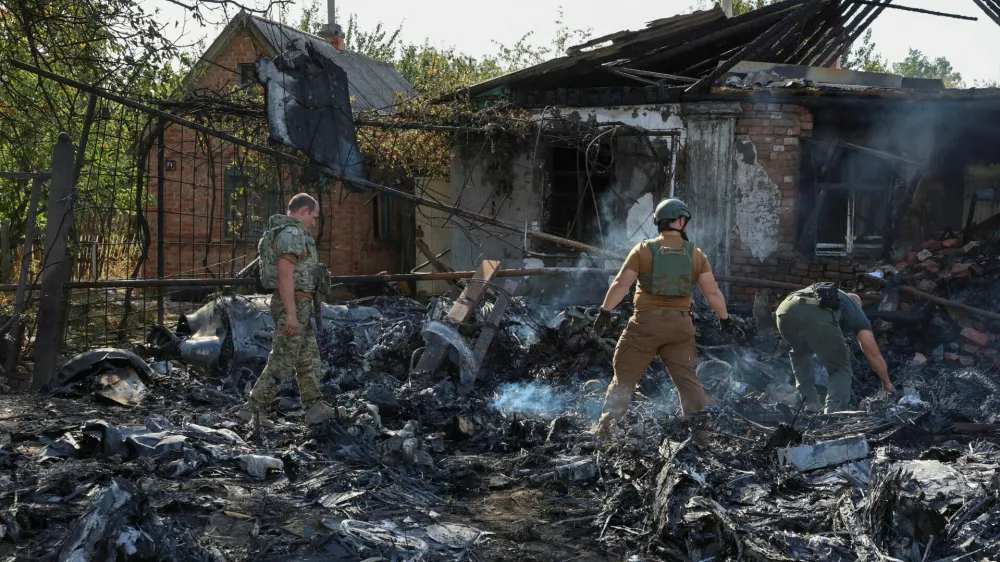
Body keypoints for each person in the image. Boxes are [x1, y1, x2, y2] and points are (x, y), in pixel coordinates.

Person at [591, 198, 737, 439]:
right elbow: (712, 292)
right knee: (688, 382)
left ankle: (606, 433)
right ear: (679, 221)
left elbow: (620, 285)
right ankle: (701, 437)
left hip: (644, 326)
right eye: (686, 221)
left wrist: (605, 311)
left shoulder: (643, 250)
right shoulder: (696, 254)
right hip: (680, 327)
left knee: (624, 379)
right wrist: (725, 319)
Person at [245, 193, 337, 425]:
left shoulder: (283, 232)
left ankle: (315, 406)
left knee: (308, 357)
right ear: (303, 211)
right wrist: (292, 314)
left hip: (299, 303)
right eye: (313, 217)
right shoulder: (292, 234)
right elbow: (285, 275)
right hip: (293, 303)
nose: (314, 223)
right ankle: (253, 409)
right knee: (283, 359)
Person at [775, 284, 897, 413]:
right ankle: (833, 412)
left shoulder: (831, 295)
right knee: (840, 368)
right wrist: (887, 382)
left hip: (784, 310)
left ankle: (810, 403)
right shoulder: (855, 311)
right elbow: (872, 353)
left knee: (801, 354)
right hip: (815, 313)